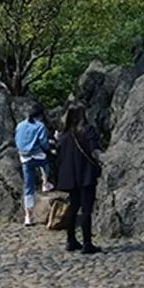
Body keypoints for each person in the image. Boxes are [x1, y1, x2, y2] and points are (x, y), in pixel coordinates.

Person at [56, 103, 103, 254]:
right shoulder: (88, 131)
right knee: (86, 209)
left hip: (70, 176)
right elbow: (94, 150)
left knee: (73, 206)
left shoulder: (64, 135)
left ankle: (71, 240)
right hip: (86, 174)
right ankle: (87, 243)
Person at [15, 104, 54, 227]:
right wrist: (51, 145)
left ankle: (28, 216)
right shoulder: (40, 126)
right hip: (37, 154)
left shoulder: (20, 125)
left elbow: (17, 140)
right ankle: (45, 182)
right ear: (40, 116)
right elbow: (44, 143)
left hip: (24, 157)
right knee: (45, 163)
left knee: (28, 187)